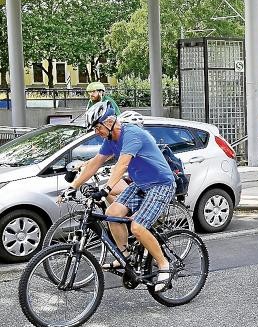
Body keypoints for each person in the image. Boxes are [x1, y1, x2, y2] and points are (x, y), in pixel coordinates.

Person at [61, 101, 175, 292]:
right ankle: (125, 257)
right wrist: (73, 186)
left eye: (98, 127)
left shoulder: (132, 134)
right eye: (95, 128)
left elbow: (121, 165)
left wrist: (107, 189)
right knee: (113, 213)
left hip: (161, 184)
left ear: (110, 122)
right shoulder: (110, 141)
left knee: (137, 227)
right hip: (141, 184)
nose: (96, 132)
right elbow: (95, 163)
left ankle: (164, 265)